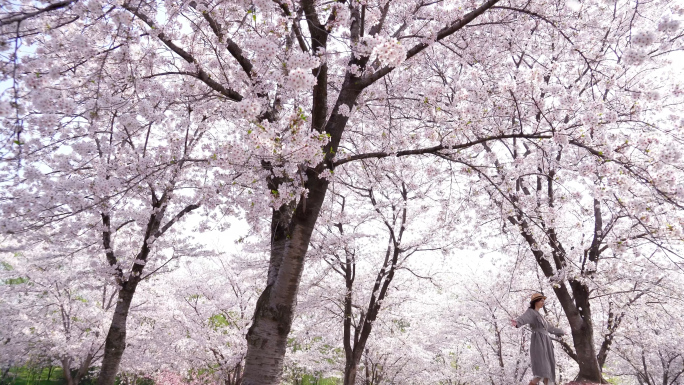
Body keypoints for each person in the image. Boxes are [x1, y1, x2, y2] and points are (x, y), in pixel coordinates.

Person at [510, 293, 566, 385]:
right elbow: (524, 318)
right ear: (535, 302)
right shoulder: (531, 312)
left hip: (546, 342)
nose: (543, 302)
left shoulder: (541, 317)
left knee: (548, 370)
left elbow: (550, 328)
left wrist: (562, 331)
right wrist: (517, 322)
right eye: (541, 300)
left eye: (543, 301)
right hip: (538, 342)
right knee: (543, 369)